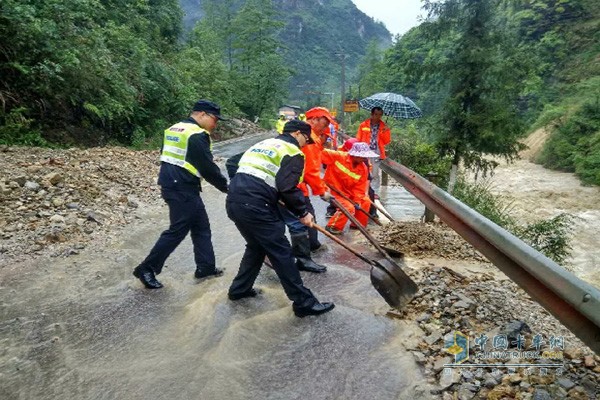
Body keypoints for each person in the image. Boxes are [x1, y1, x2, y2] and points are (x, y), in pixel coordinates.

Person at [226, 120, 335, 317]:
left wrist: (256, 188)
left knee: (256, 247)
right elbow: (287, 187)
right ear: (297, 134)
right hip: (255, 206)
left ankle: (239, 289)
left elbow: (233, 163)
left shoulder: (263, 145)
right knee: (282, 252)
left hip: (235, 200)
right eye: (305, 139)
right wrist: (303, 212)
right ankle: (304, 303)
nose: (305, 144)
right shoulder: (293, 152)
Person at [132, 100, 229, 289]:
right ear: (202, 115)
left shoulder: (174, 129)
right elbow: (207, 168)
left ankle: (206, 267)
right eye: (215, 119)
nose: (215, 124)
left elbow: (167, 154)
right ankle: (147, 268)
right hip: (181, 186)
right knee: (178, 229)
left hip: (173, 183)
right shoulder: (197, 135)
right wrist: (227, 187)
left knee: (201, 226)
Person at [322, 142, 378, 235]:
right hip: (331, 189)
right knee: (348, 207)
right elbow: (318, 152)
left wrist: (357, 201)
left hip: (347, 192)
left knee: (365, 201)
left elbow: (359, 188)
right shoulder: (338, 156)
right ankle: (333, 226)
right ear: (354, 154)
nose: (364, 159)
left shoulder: (363, 168)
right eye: (361, 157)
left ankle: (357, 225)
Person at [356, 106, 391, 196]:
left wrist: (384, 132)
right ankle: (363, 189)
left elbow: (387, 141)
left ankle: (374, 192)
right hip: (365, 151)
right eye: (376, 114)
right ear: (372, 114)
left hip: (376, 152)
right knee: (364, 170)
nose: (378, 116)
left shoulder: (384, 127)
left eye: (380, 115)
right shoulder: (363, 125)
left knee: (375, 172)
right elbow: (358, 138)